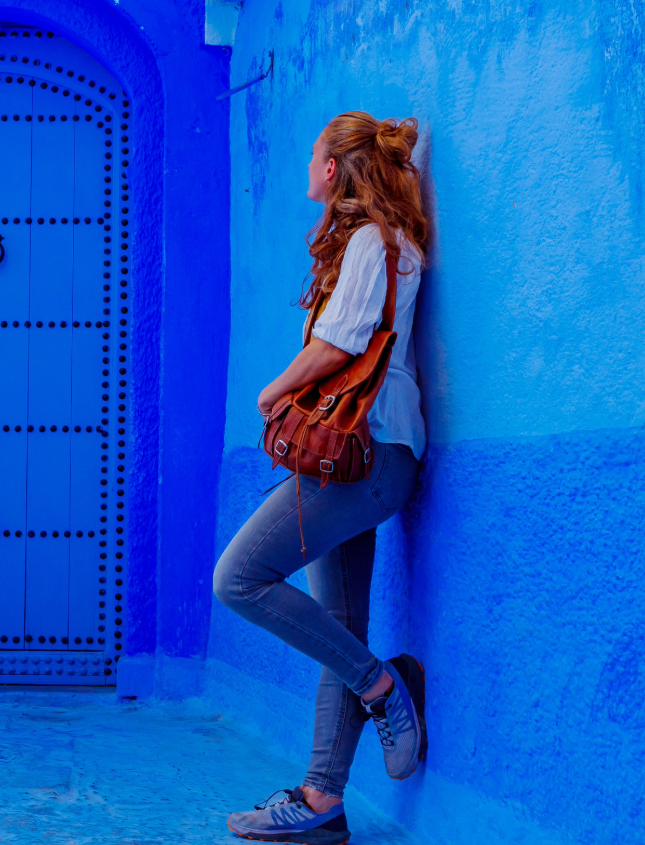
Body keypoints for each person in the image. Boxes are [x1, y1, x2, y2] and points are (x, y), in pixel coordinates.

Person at [215, 111, 431, 845]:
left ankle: (380, 685)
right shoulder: (381, 243)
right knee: (337, 626)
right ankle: (320, 800)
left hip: (364, 460)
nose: (309, 165)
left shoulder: (374, 241)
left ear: (334, 170)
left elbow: (340, 341)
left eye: (314, 154)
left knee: (238, 578)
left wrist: (273, 391)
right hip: (365, 457)